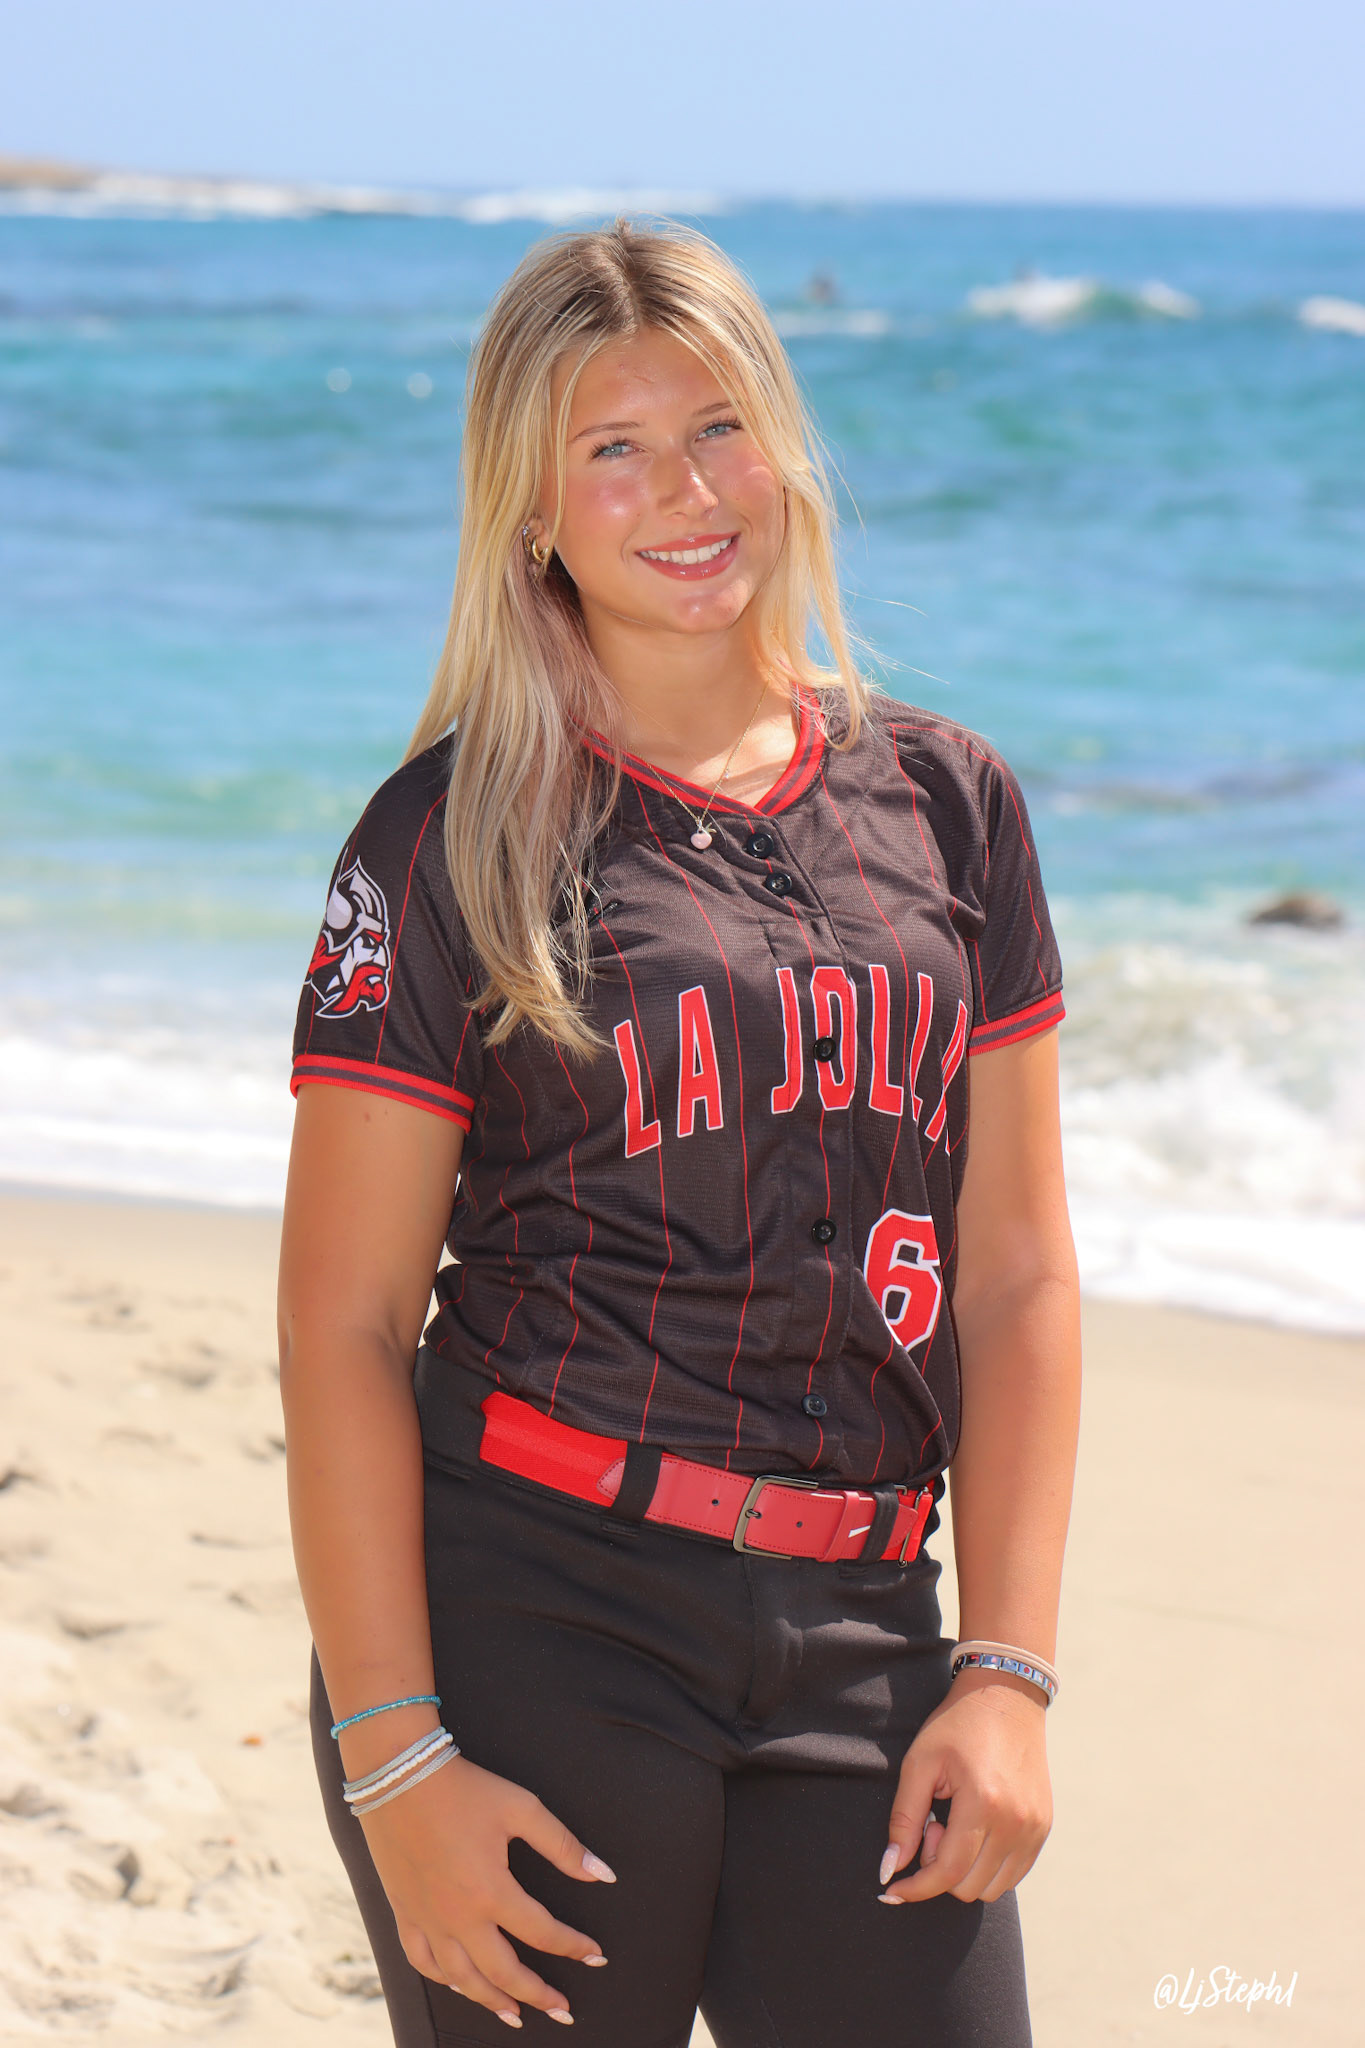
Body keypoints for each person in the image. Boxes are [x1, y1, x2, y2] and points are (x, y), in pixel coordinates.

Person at [278, 217, 1081, 2048]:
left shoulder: (948, 803)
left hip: (867, 1628)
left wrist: (1007, 1674)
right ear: (530, 508)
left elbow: (1017, 1276)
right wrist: (396, 1760)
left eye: (718, 427)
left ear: (783, 442)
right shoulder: (441, 841)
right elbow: (342, 1323)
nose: (685, 491)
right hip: (533, 1622)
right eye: (613, 449)